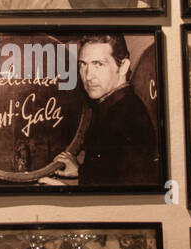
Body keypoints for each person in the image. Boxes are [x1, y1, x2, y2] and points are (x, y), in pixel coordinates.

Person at [52, 34, 159, 186]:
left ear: (123, 67)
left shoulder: (127, 116)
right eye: (83, 64)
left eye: (99, 64)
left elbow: (127, 190)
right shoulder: (112, 107)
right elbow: (112, 171)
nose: (88, 76)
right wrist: (81, 171)